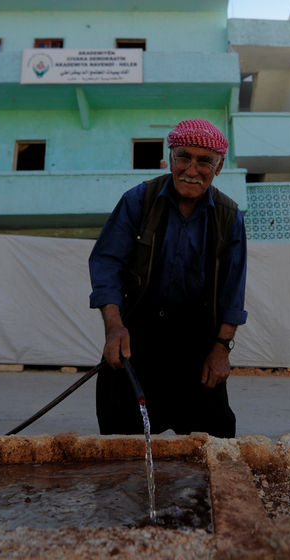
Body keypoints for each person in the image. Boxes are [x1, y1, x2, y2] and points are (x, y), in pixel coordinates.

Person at [88, 119, 248, 438]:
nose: (191, 169)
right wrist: (114, 328)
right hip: (136, 341)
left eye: (204, 161)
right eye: (183, 157)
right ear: (169, 158)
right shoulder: (139, 200)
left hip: (198, 346)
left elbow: (233, 291)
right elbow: (107, 264)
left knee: (214, 442)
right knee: (122, 441)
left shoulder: (229, 217)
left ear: (218, 168)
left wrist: (222, 349)